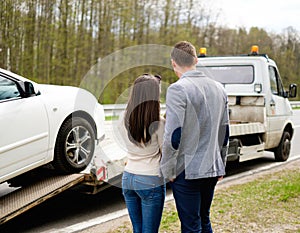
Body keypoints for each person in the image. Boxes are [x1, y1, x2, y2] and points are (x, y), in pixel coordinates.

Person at [160, 41, 229, 233]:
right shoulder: (219, 88)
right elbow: (225, 132)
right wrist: (221, 162)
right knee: (204, 219)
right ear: (196, 60)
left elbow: (173, 135)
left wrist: (168, 169)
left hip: (186, 170)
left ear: (173, 63)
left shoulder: (177, 89)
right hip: (212, 166)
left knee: (191, 225)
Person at [119, 74, 165, 233]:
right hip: (150, 178)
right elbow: (166, 153)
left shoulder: (122, 119)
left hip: (128, 178)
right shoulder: (159, 123)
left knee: (137, 229)